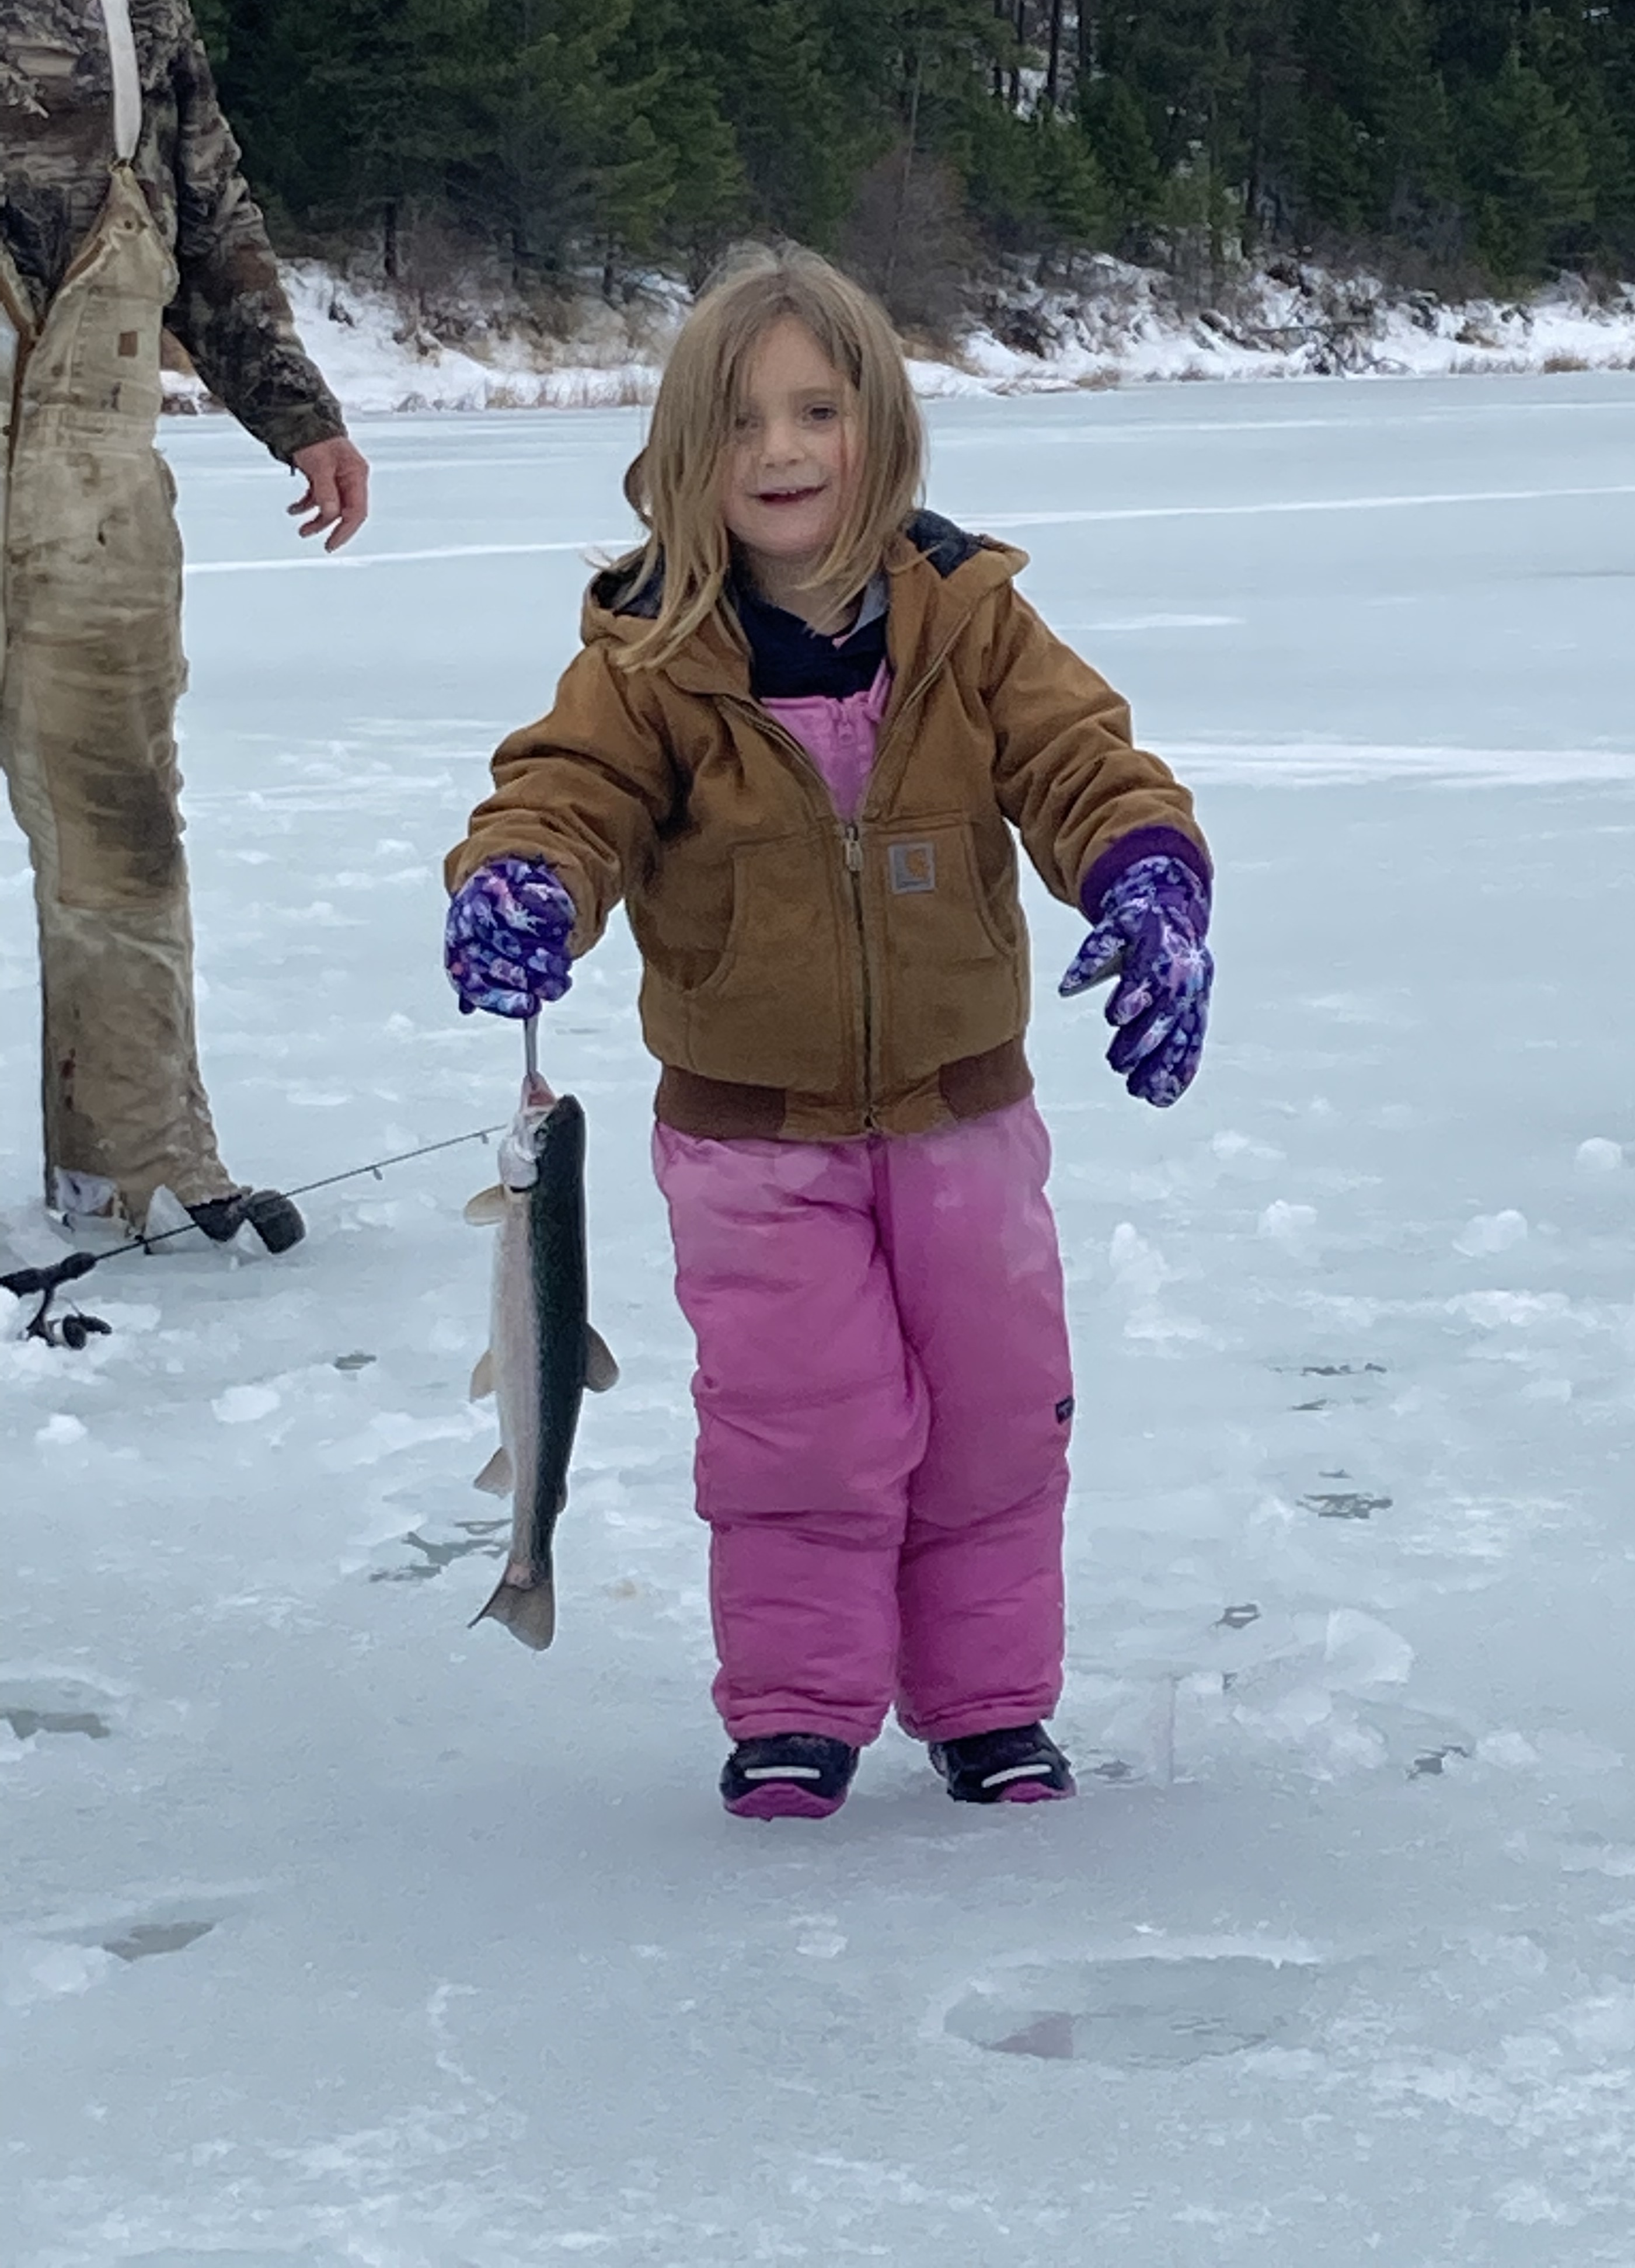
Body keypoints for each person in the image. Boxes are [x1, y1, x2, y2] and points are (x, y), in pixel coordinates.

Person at [443, 249, 1212, 1819]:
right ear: (680, 462)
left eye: (816, 411)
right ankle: (796, 1711)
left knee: (998, 1412)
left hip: (964, 1118)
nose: (782, 453)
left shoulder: (974, 626)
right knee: (809, 1431)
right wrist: (521, 879)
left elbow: (1086, 764)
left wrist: (1148, 882)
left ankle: (991, 1707)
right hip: (749, 1140)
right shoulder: (647, 661)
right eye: (738, 425)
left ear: (883, 431)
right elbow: (563, 798)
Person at [0, 0, 369, 1252]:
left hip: (95, 464)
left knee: (119, 841)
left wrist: (298, 412)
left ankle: (132, 1174)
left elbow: (207, 205)